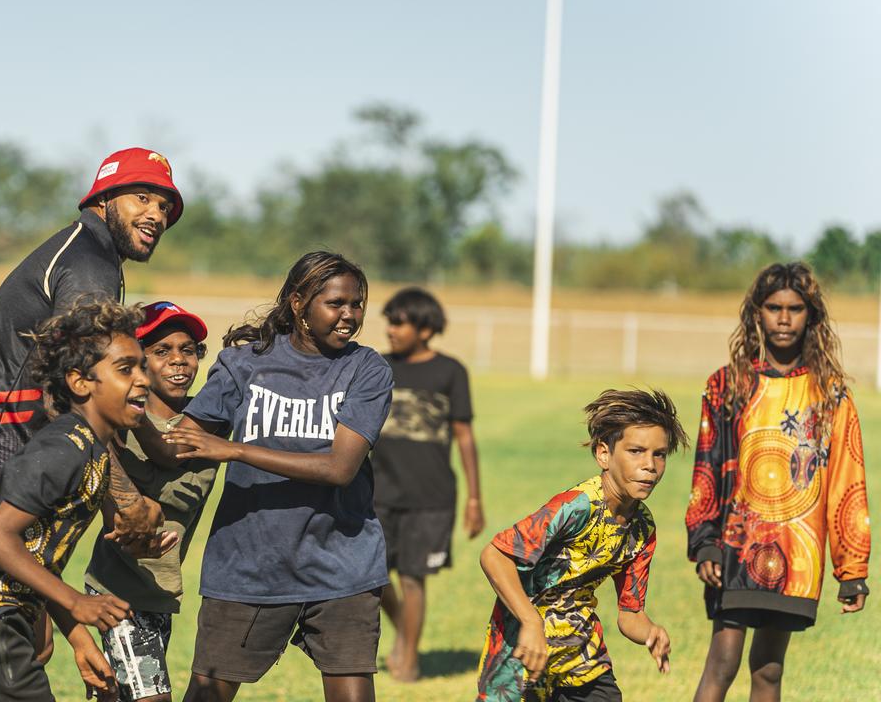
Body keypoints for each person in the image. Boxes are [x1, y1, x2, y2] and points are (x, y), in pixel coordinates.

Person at [0, 148, 183, 559]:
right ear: (104, 197)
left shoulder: (91, 254)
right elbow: (81, 394)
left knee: (20, 608)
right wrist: (125, 501)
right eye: (142, 198)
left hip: (0, 462)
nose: (157, 215)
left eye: (164, 206)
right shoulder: (89, 264)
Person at [151, 251, 394, 702]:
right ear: (299, 302)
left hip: (343, 564)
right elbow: (180, 443)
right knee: (207, 694)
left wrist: (235, 449)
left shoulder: (367, 369)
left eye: (357, 304)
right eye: (336, 303)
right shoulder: (243, 364)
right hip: (248, 566)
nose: (349, 316)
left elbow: (340, 469)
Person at [0, 299, 167, 702]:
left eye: (141, 366)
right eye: (126, 369)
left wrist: (79, 639)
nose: (143, 379)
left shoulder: (92, 452)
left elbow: (36, 557)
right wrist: (76, 601)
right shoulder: (62, 449)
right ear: (79, 381)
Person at [686, 262, 870, 702]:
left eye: (795, 308)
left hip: (797, 558)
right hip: (735, 548)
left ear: (812, 316)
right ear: (756, 313)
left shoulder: (831, 395)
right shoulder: (728, 386)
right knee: (722, 662)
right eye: (773, 307)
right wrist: (706, 542)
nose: (784, 318)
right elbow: (707, 466)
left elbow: (848, 481)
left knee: (768, 670)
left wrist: (853, 571)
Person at [476, 388, 683, 702]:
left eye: (659, 454)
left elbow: (630, 614)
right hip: (521, 654)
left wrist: (650, 632)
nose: (650, 465)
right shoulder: (576, 506)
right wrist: (531, 621)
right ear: (603, 454)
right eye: (636, 451)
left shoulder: (643, 528)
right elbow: (494, 555)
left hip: (580, 657)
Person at [84, 301, 214, 702]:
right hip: (117, 588)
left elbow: (183, 485)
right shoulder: (116, 423)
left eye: (187, 350)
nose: (178, 361)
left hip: (159, 592)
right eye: (162, 351)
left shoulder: (210, 421)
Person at [373, 286, 485, 682]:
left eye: (399, 323)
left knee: (413, 577)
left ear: (424, 328)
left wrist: (474, 499)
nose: (390, 329)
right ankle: (404, 624)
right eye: (389, 321)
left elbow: (465, 437)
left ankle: (410, 656)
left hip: (431, 496)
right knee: (374, 575)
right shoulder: (377, 367)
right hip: (378, 493)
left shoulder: (450, 372)